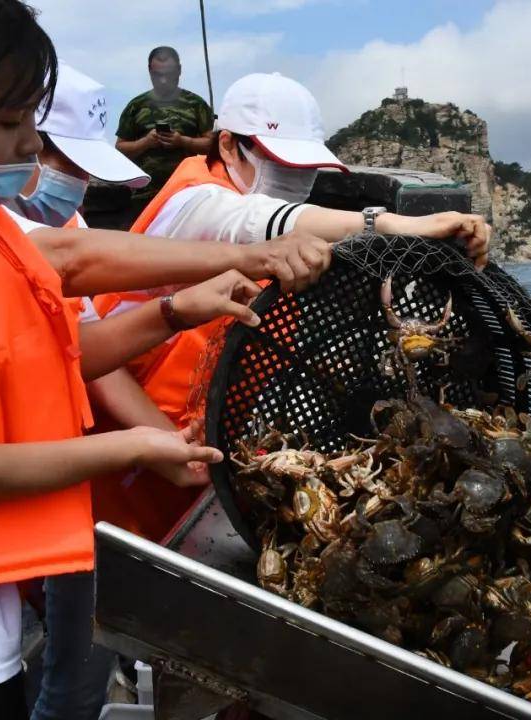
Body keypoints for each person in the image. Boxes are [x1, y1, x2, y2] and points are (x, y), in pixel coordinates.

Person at [0, 3, 329, 718]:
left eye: (32, 124)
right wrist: (130, 446)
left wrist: (196, 294)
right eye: (6, 123)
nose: (25, 148)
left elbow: (64, 267)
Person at [92, 72, 491, 539]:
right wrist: (393, 224)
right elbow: (261, 220)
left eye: (305, 170)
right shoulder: (192, 203)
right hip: (119, 455)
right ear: (227, 146)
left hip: (199, 461)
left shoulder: (283, 243)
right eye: (282, 165)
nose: (295, 181)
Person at [6, 62, 182, 720]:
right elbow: (70, 264)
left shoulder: (68, 216)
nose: (76, 183)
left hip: (58, 481)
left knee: (79, 644)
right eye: (67, 163)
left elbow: (89, 356)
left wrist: (164, 443)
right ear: (22, 139)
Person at [115, 46, 214, 219]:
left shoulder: (196, 104)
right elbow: (120, 148)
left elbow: (212, 145)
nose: (163, 81)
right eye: (157, 75)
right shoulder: (136, 106)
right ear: (149, 71)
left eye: (168, 75)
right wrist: (145, 142)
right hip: (145, 197)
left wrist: (182, 141)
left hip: (187, 193)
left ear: (179, 71)